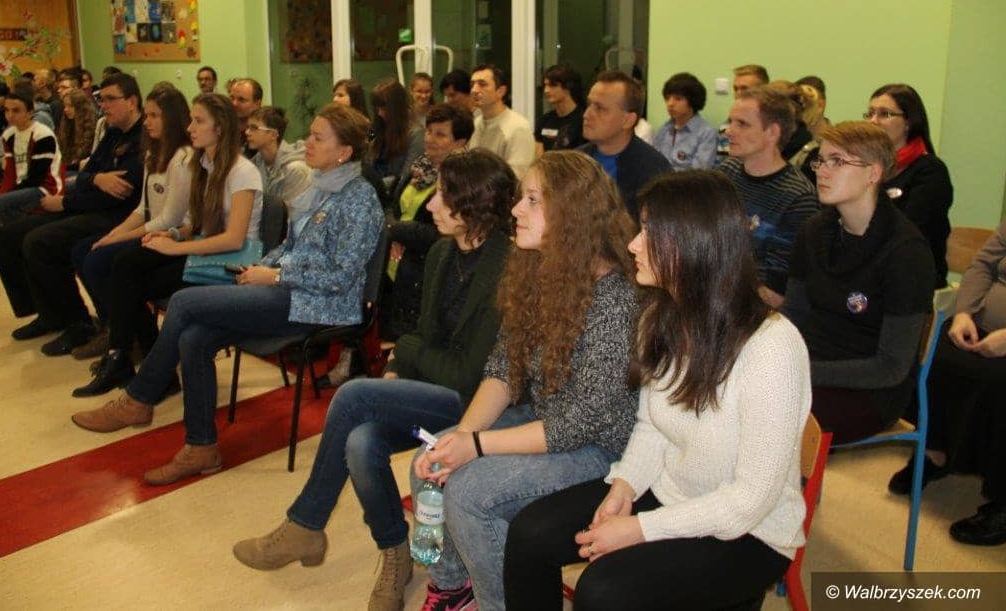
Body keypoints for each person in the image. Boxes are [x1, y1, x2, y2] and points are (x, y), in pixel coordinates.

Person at [503, 170, 812, 611]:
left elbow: (750, 502)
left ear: (692, 243)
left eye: (649, 231)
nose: (633, 244)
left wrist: (640, 530)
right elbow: (651, 427)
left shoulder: (772, 347)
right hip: (671, 493)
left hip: (749, 533)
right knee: (530, 534)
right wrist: (624, 487)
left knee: (603, 592)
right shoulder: (660, 316)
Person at [231, 148, 517, 611]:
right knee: (361, 441)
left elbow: (467, 373)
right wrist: (401, 365)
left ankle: (307, 523)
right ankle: (395, 553)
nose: (431, 205)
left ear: (474, 206)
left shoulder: (509, 268)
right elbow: (422, 334)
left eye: (443, 196)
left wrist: (406, 354)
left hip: (477, 407)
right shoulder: (443, 252)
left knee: (354, 394)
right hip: (436, 391)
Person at [70, 103, 384, 485]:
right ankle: (201, 447)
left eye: (318, 138)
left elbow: (341, 276)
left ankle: (139, 399)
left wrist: (276, 275)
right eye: (310, 135)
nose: (307, 144)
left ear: (344, 151)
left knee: (183, 303)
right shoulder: (321, 186)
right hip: (289, 291)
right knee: (194, 337)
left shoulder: (360, 199)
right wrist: (257, 269)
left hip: (320, 305)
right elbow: (290, 246)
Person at [410, 150, 639, 610]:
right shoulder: (538, 269)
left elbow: (577, 425)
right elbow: (504, 368)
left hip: (603, 448)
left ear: (572, 214)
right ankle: (454, 585)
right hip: (547, 418)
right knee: (430, 459)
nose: (516, 209)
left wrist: (476, 447)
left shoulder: (615, 298)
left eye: (533, 200)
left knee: (471, 494)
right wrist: (462, 437)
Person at [783, 121, 935, 443]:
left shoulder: (906, 252)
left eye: (837, 161)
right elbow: (793, 313)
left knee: (774, 414)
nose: (822, 171)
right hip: (810, 365)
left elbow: (891, 367)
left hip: (870, 391)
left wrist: (802, 370)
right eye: (821, 160)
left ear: (873, 174)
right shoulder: (813, 232)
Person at [0, 73, 145, 355]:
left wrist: (67, 202)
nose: (103, 105)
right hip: (87, 204)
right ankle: (48, 313)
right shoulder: (113, 132)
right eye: (102, 99)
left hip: (117, 215)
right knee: (9, 236)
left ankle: (78, 323)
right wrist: (97, 178)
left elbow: (119, 192)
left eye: (110, 99)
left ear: (132, 101)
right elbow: (85, 175)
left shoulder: (141, 138)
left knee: (40, 241)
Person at [887, 220, 1006, 546]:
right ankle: (934, 452)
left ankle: (1002, 501)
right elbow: (984, 264)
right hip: (982, 327)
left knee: (999, 383)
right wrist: (965, 312)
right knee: (938, 354)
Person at [70, 84, 193, 362]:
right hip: (153, 229)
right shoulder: (153, 153)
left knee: (104, 262)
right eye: (146, 115)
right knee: (85, 250)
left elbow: (169, 219)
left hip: (172, 235)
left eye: (154, 116)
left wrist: (119, 238)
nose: (147, 122)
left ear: (172, 119)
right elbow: (143, 209)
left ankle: (135, 338)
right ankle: (119, 328)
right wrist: (114, 234)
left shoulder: (183, 158)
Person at [718, 85, 818, 307]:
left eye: (742, 124)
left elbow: (776, 293)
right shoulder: (727, 171)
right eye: (731, 122)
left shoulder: (799, 198)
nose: (729, 131)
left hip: (753, 310)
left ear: (772, 132)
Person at [381, 103, 474, 340]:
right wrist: (394, 231)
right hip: (395, 263)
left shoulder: (463, 183)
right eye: (429, 131)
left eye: (440, 134)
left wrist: (395, 230)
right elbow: (390, 205)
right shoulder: (419, 168)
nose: (430, 139)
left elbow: (439, 234)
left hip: (424, 272)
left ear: (460, 142)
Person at [866, 83, 953, 288]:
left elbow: (909, 231)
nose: (873, 121)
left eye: (884, 114)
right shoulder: (867, 166)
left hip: (911, 274)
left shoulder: (930, 171)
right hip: (870, 268)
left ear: (908, 122)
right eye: (870, 113)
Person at [578, 71, 671, 220]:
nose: (586, 114)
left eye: (600, 108)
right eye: (589, 105)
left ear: (628, 120)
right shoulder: (576, 161)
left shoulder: (654, 171)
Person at [0, 87, 62, 235]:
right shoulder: (9, 135)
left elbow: (37, 178)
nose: (10, 115)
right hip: (22, 184)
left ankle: (24, 236)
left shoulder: (42, 134)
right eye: (7, 110)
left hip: (45, 187)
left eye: (16, 111)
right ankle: (0, 238)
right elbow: (10, 174)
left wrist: (1, 197)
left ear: (30, 112)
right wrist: (0, 194)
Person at [467, 64, 533, 179]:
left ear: (500, 91)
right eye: (472, 85)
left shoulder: (518, 127)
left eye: (482, 84)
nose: (474, 90)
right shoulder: (476, 123)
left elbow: (516, 177)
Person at [651, 72, 718, 171]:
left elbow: (699, 174)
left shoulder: (706, 133)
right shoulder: (664, 130)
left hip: (687, 181)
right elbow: (652, 162)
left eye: (678, 99)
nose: (670, 104)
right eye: (668, 98)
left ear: (692, 101)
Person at [368, 78, 423, 199]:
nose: (380, 114)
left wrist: (373, 187)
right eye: (377, 109)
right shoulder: (377, 130)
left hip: (393, 199)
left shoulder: (416, 134)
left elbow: (405, 179)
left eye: (384, 109)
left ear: (397, 108)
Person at [245, 106, 312, 204]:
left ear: (273, 134)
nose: (247, 132)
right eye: (248, 127)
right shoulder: (253, 165)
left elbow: (292, 211)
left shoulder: (296, 170)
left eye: (254, 128)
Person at [718, 64, 769, 159]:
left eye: (745, 88)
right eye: (735, 89)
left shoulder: (771, 124)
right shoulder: (726, 125)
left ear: (763, 90)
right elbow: (721, 160)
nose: (738, 94)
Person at [534, 64, 585, 155]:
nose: (546, 90)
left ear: (568, 87)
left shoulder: (584, 120)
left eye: (552, 85)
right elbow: (539, 157)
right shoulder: (544, 121)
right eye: (545, 85)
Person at [57, 88, 97, 177]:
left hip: (84, 170)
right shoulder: (67, 125)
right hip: (68, 168)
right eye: (65, 106)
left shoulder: (90, 127)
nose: (65, 109)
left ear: (80, 107)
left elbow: (84, 157)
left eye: (70, 106)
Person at [229, 77, 264, 153]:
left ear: (257, 103)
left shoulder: (265, 134)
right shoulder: (224, 130)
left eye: (241, 99)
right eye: (232, 98)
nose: (234, 103)